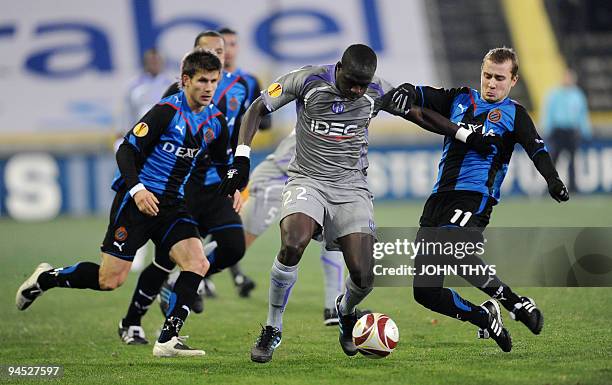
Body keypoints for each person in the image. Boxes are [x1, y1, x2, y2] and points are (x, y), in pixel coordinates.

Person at [217, 43, 501, 363]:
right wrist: (241, 159)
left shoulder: (377, 91)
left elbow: (418, 114)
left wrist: (464, 134)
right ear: (340, 67)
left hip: (352, 188)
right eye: (351, 81)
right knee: (293, 242)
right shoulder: (307, 80)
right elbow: (257, 108)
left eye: (362, 85)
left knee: (365, 276)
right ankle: (272, 327)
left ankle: (345, 312)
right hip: (307, 180)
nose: (356, 90)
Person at [16, 49, 232, 357]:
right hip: (136, 203)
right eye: (202, 81)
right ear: (186, 80)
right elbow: (126, 152)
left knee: (198, 262)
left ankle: (168, 339)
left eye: (214, 81)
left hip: (172, 205)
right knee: (110, 280)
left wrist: (235, 186)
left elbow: (222, 163)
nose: (208, 88)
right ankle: (46, 278)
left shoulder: (217, 122)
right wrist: (138, 190)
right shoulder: (165, 112)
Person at [391, 47, 569, 353]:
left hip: (475, 198)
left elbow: (536, 150)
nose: (491, 83)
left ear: (513, 80)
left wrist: (552, 179)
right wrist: (404, 91)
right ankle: (485, 317)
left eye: (499, 78)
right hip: (438, 200)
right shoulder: (460, 98)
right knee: (426, 293)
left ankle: (516, 304)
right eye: (487, 75)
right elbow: (419, 95)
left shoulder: (515, 115)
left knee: (451, 247)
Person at [117, 31, 250, 345]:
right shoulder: (176, 95)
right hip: (183, 188)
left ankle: (184, 281)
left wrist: (235, 177)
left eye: (222, 48)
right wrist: (141, 186)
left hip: (216, 185)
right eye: (210, 50)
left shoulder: (242, 87)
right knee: (164, 259)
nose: (219, 53)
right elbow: (147, 143)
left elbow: (243, 132)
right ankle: (133, 320)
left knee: (233, 245)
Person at [240, 130, 351, 325]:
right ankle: (186, 275)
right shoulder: (317, 106)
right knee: (234, 247)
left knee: (334, 235)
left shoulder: (350, 112)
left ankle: (333, 308)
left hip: (310, 183)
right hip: (277, 179)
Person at [218, 26, 270, 291]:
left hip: (236, 159)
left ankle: (226, 274)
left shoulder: (249, 82)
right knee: (213, 216)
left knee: (231, 216)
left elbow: (266, 122)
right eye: (223, 44)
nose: (228, 49)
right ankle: (222, 274)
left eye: (232, 44)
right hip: (205, 160)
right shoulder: (205, 81)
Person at [118, 48, 175, 273]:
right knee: (138, 198)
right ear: (144, 62)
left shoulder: (170, 84)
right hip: (141, 147)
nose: (154, 63)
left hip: (164, 150)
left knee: (166, 199)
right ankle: (136, 250)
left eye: (157, 60)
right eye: (150, 60)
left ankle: (165, 250)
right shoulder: (133, 87)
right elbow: (125, 119)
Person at [541, 68, 591, 192]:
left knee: (573, 161)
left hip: (571, 132)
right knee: (553, 160)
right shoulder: (554, 94)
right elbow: (549, 113)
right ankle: (550, 185)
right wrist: (547, 129)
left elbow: (582, 115)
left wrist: (586, 131)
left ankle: (573, 187)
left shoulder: (578, 95)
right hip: (558, 131)